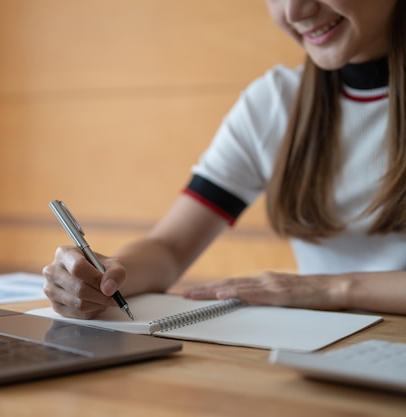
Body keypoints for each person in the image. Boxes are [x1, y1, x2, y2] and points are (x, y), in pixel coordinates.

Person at [42, 0, 406, 319]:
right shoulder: (276, 102)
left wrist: (334, 289)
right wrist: (103, 276)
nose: (294, 11)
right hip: (333, 347)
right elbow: (169, 248)